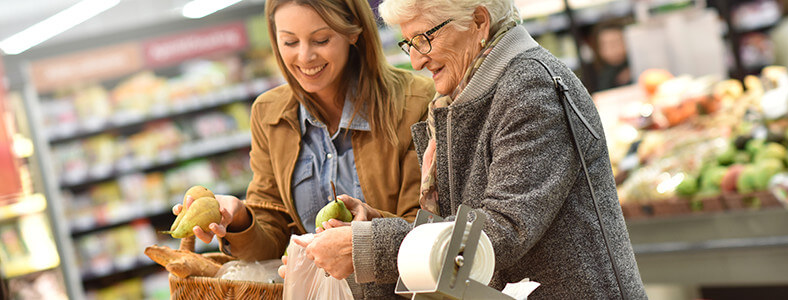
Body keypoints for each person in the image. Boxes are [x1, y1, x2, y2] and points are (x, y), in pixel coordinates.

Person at [295, 0, 648, 299]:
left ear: (478, 21)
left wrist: (369, 247)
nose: (416, 61)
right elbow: (458, 229)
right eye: (408, 44)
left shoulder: (531, 87)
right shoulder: (463, 99)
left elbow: (502, 231)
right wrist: (372, 228)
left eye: (423, 39)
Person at [173, 0, 434, 267]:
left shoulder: (416, 102)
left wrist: (363, 239)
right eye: (289, 42)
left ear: (353, 31)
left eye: (321, 40)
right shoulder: (268, 113)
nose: (305, 57)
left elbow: (427, 226)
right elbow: (273, 243)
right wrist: (239, 219)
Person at [592, 21, 632, 91]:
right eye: (606, 45)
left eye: (616, 42)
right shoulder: (603, 76)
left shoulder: (637, 66)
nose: (612, 49)